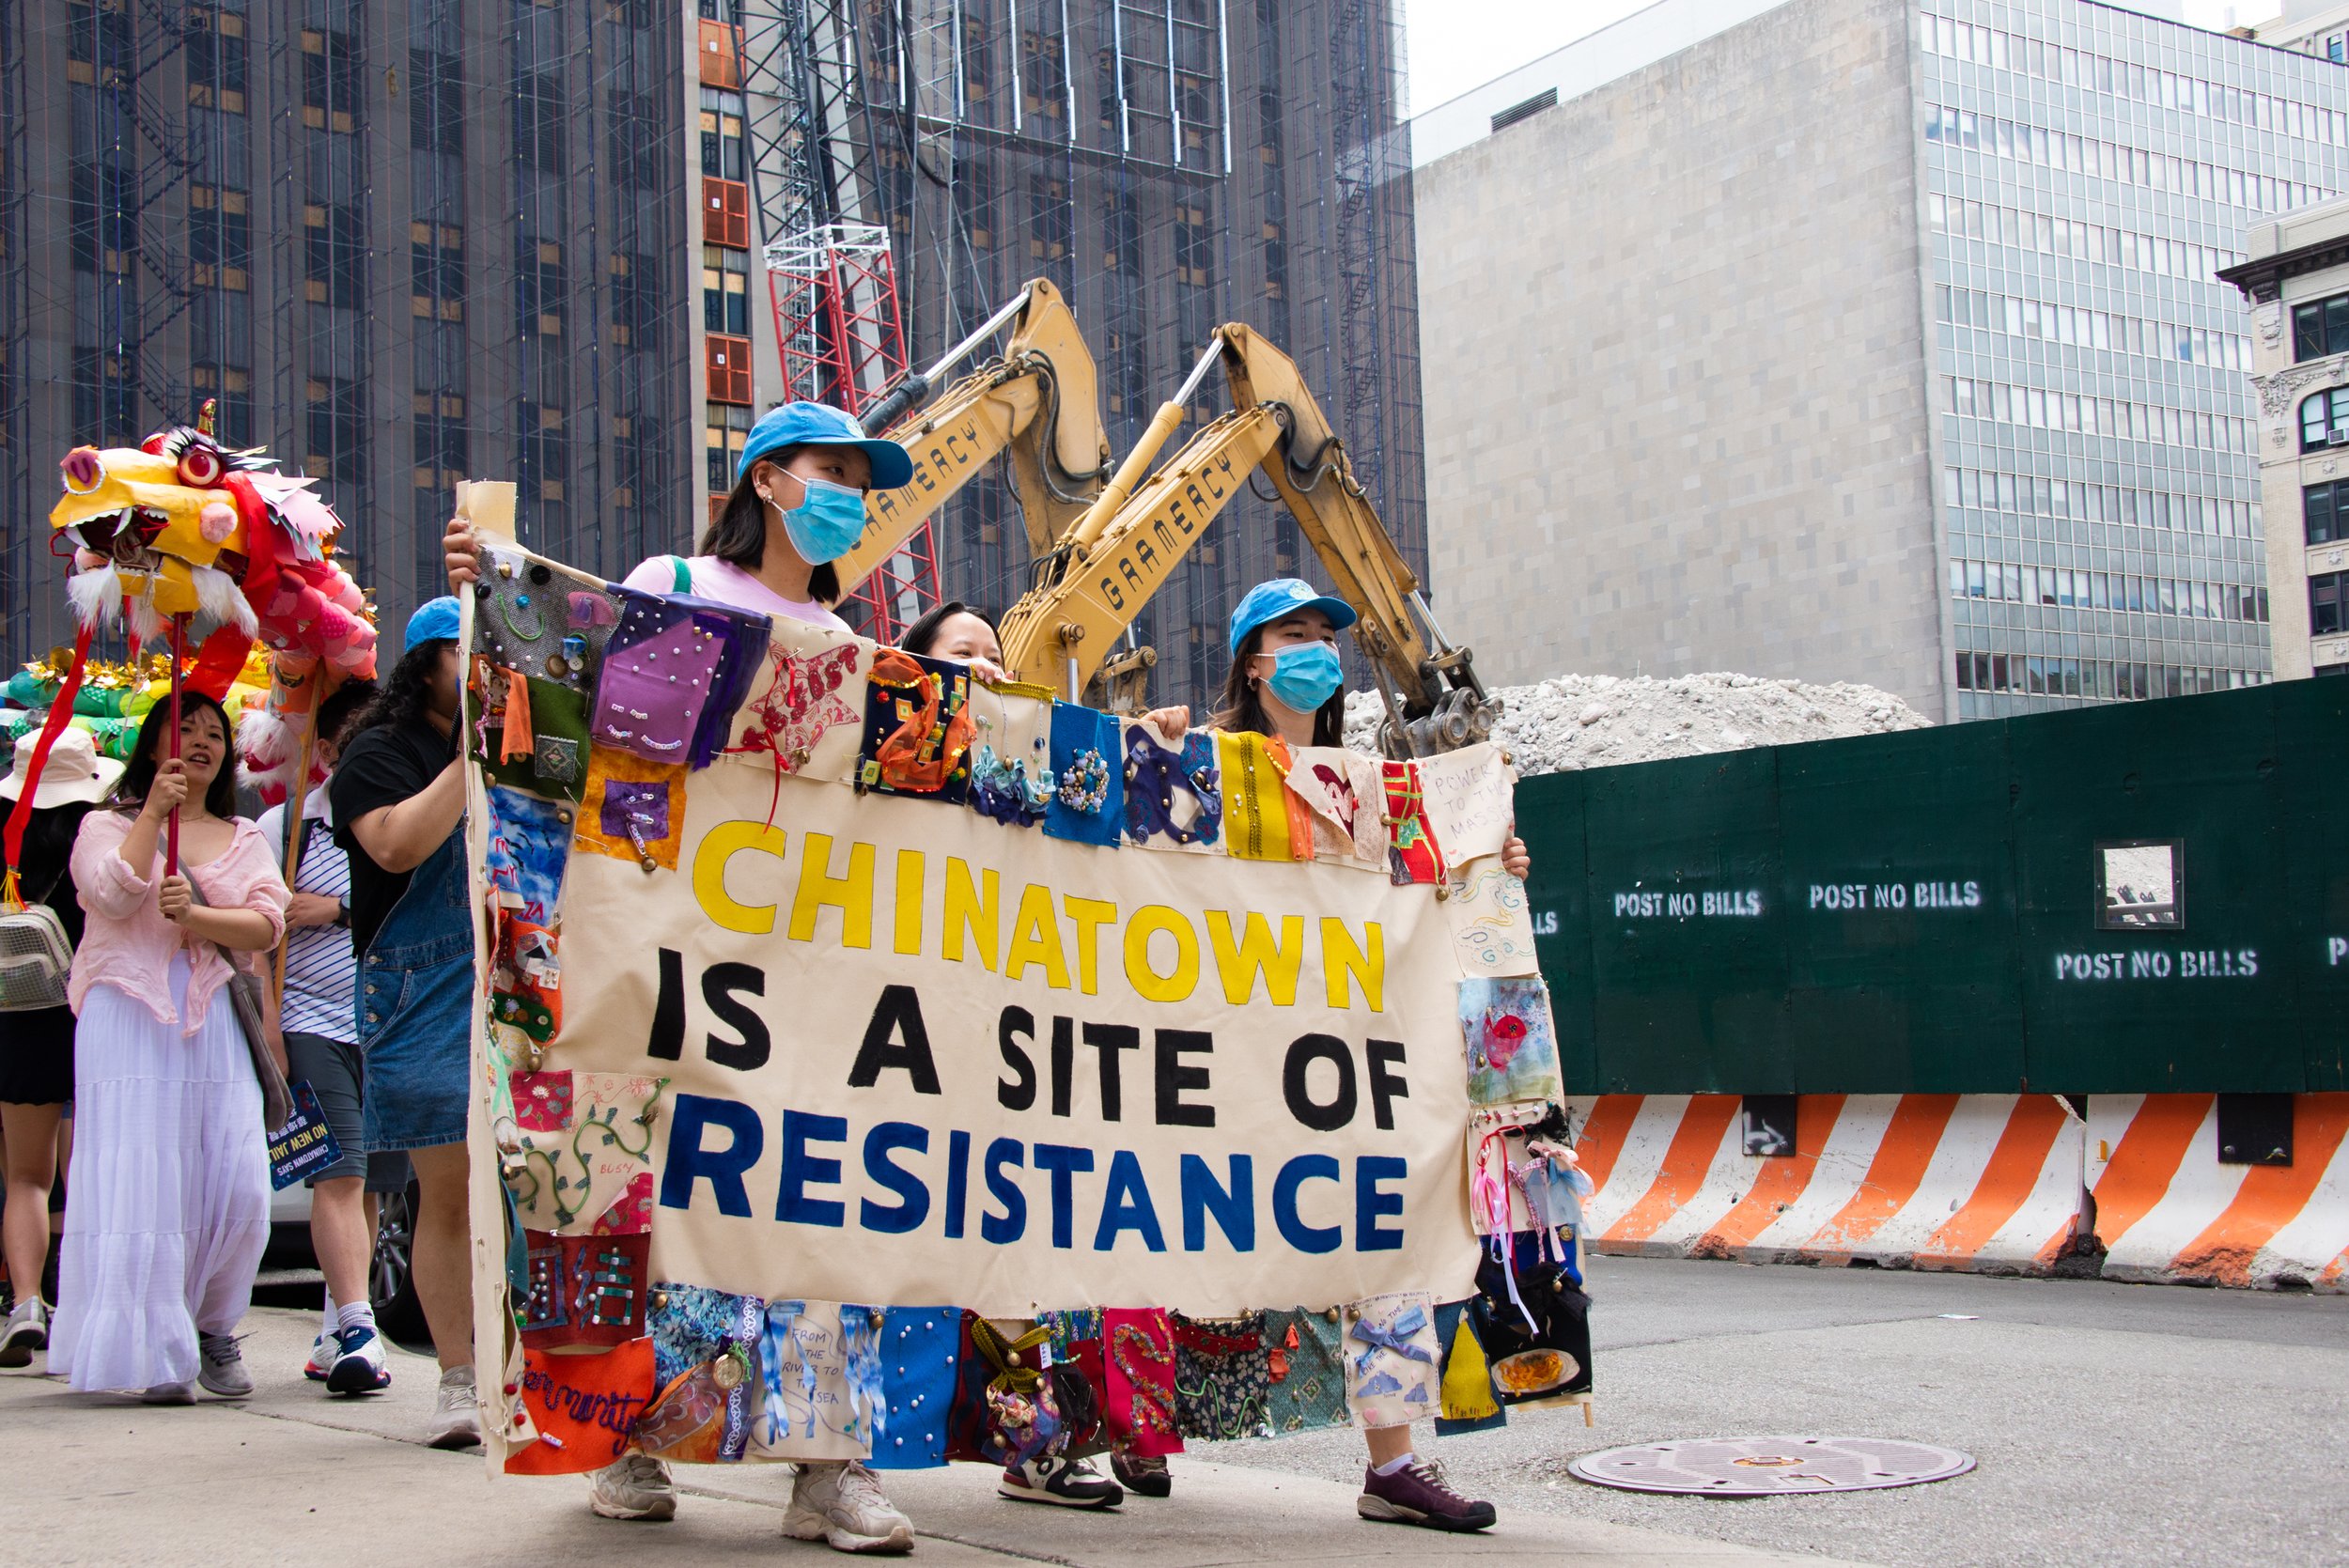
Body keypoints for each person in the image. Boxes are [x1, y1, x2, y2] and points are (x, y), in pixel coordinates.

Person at [447, 401, 925, 1551]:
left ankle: (829, 1468)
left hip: (813, 961)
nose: (849, 498)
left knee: (820, 1196)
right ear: (766, 481)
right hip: (672, 941)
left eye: (862, 483)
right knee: (657, 1191)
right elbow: (577, 679)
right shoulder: (679, 583)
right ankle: (638, 1441)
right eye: (831, 473)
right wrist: (494, 579)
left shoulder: (860, 648)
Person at [1143, 577, 1529, 1533]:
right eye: (1294, 634)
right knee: (1166, 1227)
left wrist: (1490, 863)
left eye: (1326, 634)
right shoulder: (1207, 763)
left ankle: (1393, 1460)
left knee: (1381, 1235)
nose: (1316, 650)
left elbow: (1424, 900)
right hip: (1226, 1050)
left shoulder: (1373, 786)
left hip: (1340, 1063)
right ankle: (1127, 1424)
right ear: (1252, 658)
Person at [50, 691, 288, 1403]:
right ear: (153, 744)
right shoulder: (101, 823)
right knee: (141, 1182)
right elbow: (110, 894)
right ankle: (155, 1348)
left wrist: (202, 911)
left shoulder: (246, 834)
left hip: (211, 1013)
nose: (199, 740)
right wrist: (152, 814)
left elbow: (267, 925)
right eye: (182, 727)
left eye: (214, 732)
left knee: (241, 1181)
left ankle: (215, 1323)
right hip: (124, 1014)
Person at [329, 600, 477, 1447]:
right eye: (467, 651)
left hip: (517, 972)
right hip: (420, 984)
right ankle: (458, 1380)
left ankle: (520, 1362)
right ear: (424, 662)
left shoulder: (533, 738)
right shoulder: (377, 752)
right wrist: (474, 755)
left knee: (527, 1189)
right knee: (449, 1191)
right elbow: (395, 846)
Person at [253, 677, 394, 1395]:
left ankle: (335, 1320)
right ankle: (363, 1328)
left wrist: (336, 909)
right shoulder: (284, 828)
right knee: (337, 1175)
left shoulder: (397, 818)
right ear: (330, 747)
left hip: (386, 1023)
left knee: (369, 1188)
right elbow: (258, 938)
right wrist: (270, 1030)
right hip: (309, 1019)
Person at [0, 726, 123, 1365]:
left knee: (25, 1176)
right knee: (89, 1174)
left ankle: (25, 1303)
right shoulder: (100, 840)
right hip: (93, 1010)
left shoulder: (7, 840)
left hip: (20, 1016)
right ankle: (81, 1300)